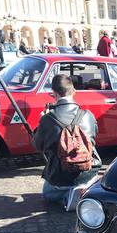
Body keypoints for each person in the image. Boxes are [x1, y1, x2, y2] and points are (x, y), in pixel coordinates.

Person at [33, 74, 101, 209]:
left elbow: (38, 146)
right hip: (88, 171)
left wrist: (41, 121)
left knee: (48, 195)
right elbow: (94, 137)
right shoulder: (88, 115)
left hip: (60, 175)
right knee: (84, 182)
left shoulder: (48, 119)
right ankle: (84, 190)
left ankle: (67, 196)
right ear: (74, 91)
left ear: (54, 93)